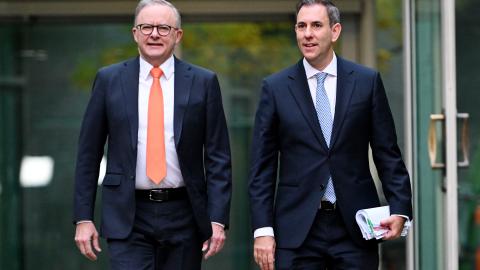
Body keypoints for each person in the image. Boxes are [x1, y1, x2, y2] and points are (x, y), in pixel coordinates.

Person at [248, 0, 412, 269]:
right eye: (301, 26)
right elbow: (262, 168)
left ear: (335, 31)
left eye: (316, 25)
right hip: (296, 230)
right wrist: (263, 229)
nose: (307, 33)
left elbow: (387, 153)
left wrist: (400, 208)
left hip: (355, 227)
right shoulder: (275, 88)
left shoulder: (366, 82)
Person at [73, 0, 232, 269]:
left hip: (185, 214)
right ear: (135, 32)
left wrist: (217, 219)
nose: (154, 34)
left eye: (163, 27)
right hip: (127, 214)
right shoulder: (109, 79)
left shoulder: (203, 82)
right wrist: (83, 218)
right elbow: (89, 154)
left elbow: (218, 157)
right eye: (146, 27)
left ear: (177, 35)